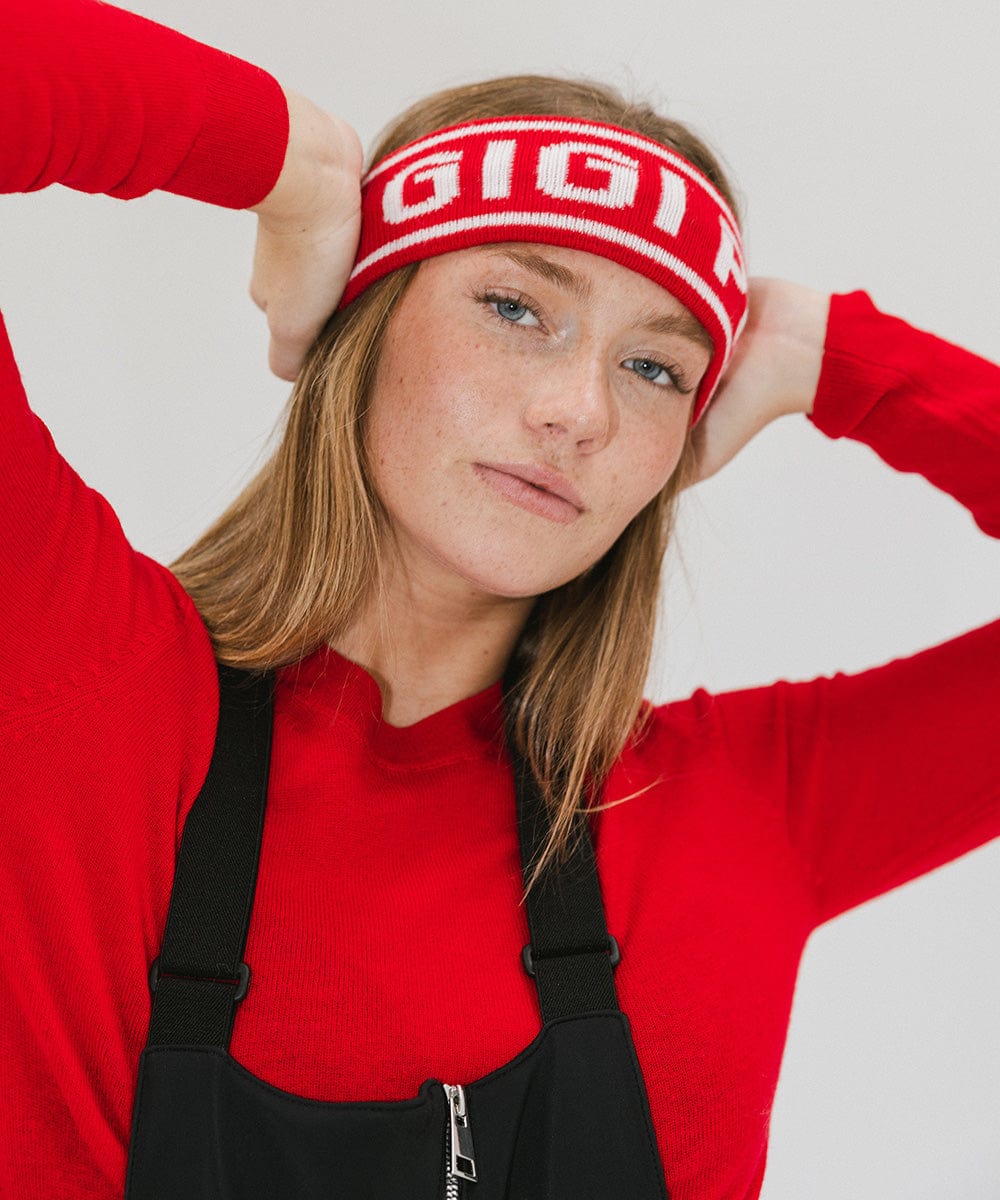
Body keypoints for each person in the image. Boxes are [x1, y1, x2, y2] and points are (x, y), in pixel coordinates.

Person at [1, 0, 997, 1197]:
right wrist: (291, 164)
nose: (579, 411)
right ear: (362, 319)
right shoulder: (65, 667)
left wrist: (832, 360)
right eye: (517, 308)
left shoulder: (736, 810)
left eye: (654, 366)